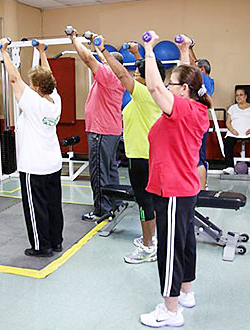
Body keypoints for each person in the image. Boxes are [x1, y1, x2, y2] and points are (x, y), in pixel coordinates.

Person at [139, 31, 210, 328]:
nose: (168, 87)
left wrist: (148, 49)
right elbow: (185, 80)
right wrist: (184, 50)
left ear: (182, 91)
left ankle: (170, 311)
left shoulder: (180, 110)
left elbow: (154, 86)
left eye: (173, 85)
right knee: (183, 242)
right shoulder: (197, 107)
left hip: (171, 190)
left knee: (168, 248)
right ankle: (186, 292)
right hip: (184, 187)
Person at [0, 38, 65, 258]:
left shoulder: (33, 103)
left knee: (36, 209)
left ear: (36, 88)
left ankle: (41, 246)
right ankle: (56, 242)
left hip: (34, 167)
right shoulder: (56, 99)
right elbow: (48, 75)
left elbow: (14, 78)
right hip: (53, 164)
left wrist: (4, 52)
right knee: (53, 205)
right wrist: (41, 52)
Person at [102, 41, 165, 264]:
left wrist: (102, 50)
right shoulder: (159, 95)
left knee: (144, 203)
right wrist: (139, 52)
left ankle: (148, 247)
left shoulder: (144, 93)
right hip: (148, 156)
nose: (134, 75)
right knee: (150, 203)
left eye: (138, 72)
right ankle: (151, 240)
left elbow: (120, 74)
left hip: (142, 157)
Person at [67, 28, 125, 222]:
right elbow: (98, 58)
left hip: (101, 131)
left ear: (111, 65)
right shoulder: (118, 76)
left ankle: (102, 210)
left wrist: (74, 39)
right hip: (111, 130)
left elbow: (89, 60)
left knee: (99, 171)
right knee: (110, 169)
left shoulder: (109, 76)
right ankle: (116, 202)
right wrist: (94, 43)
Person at [184, 34, 215, 189]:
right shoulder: (205, 83)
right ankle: (199, 185)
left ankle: (202, 189)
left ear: (202, 70)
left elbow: (193, 66)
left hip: (198, 123)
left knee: (199, 159)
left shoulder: (206, 81)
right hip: (197, 122)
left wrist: (189, 48)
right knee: (196, 158)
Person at [222, 88, 250, 176]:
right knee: (228, 141)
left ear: (246, 96)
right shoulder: (232, 108)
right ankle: (230, 167)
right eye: (237, 95)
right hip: (235, 131)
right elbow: (228, 122)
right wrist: (232, 130)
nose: (238, 97)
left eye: (241, 95)